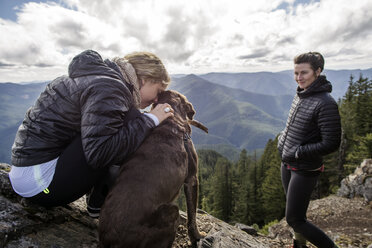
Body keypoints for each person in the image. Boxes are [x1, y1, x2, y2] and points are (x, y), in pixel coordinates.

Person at [9, 49, 174, 218]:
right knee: (132, 120)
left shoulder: (96, 78)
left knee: (125, 123)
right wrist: (150, 120)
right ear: (145, 79)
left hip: (27, 175)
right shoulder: (111, 87)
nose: (156, 100)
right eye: (158, 92)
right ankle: (102, 205)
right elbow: (101, 153)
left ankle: (97, 201)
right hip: (43, 186)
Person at [277, 52, 341, 248]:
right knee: (298, 214)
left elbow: (331, 143)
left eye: (304, 72)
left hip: (305, 168)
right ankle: (299, 245)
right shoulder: (301, 94)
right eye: (296, 72)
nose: (299, 77)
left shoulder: (325, 103)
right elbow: (296, 126)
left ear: (318, 71)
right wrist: (282, 138)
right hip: (288, 163)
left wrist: (298, 152)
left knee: (294, 219)